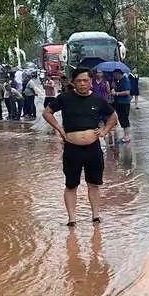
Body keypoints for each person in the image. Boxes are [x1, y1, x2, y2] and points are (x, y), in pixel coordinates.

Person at [42, 67, 118, 227]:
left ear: (91, 81)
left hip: (93, 148)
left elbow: (113, 116)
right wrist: (60, 129)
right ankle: (72, 219)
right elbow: (47, 113)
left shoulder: (98, 100)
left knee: (94, 183)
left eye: (86, 80)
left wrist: (104, 130)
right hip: (72, 149)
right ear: (73, 82)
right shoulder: (64, 98)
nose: (82, 84)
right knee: (71, 184)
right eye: (79, 81)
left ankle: (96, 216)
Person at [111, 68, 134, 143]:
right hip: (118, 102)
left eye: (115, 75)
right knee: (121, 119)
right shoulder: (118, 81)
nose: (114, 76)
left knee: (124, 119)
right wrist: (113, 88)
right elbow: (116, 89)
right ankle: (125, 135)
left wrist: (116, 93)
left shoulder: (125, 80)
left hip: (124, 103)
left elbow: (127, 92)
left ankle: (127, 136)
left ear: (119, 74)